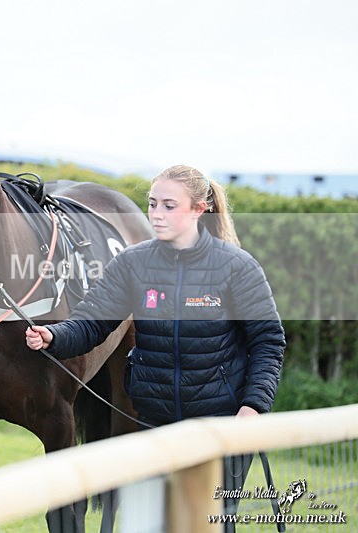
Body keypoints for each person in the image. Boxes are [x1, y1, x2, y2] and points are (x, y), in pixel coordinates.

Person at [25, 165, 285, 526]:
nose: (157, 215)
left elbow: (268, 343)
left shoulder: (237, 267)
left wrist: (253, 407)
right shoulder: (133, 262)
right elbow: (93, 321)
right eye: (152, 204)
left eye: (169, 205)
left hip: (221, 428)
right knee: (146, 524)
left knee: (205, 525)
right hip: (152, 426)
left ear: (199, 209)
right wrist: (55, 336)